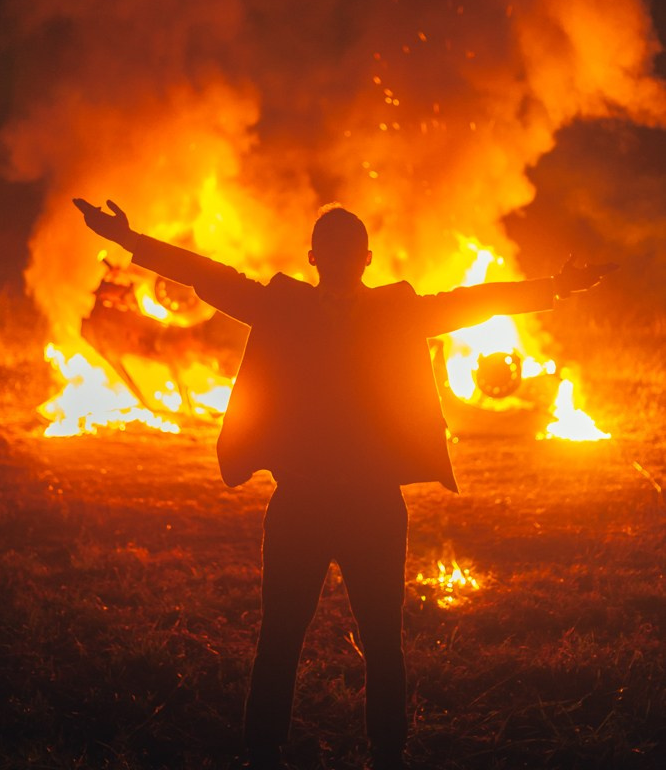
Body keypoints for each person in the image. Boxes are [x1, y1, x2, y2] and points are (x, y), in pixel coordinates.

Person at [73, 197, 615, 770]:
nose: (337, 259)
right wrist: (131, 242)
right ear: (321, 257)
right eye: (332, 249)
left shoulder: (373, 309)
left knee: (374, 641)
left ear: (360, 259)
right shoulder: (287, 305)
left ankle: (379, 754)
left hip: (364, 504)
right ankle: (272, 753)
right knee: (289, 637)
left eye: (343, 249)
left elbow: (473, 303)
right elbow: (205, 274)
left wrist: (553, 286)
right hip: (313, 502)